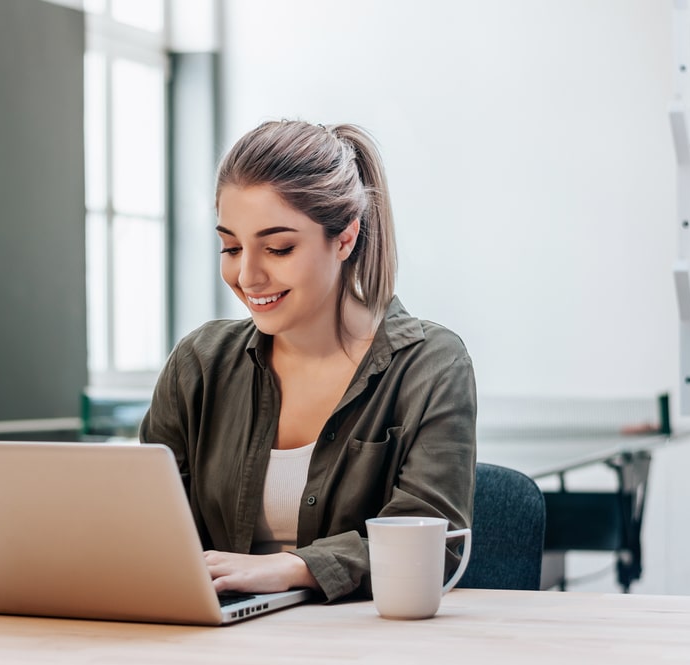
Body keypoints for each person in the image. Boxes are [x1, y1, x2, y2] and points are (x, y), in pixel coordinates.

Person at [139, 119, 476, 602]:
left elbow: (433, 544)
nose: (248, 275)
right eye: (231, 247)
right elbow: (147, 527)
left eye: (278, 248)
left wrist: (291, 568)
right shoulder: (199, 363)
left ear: (344, 239)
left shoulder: (430, 366)